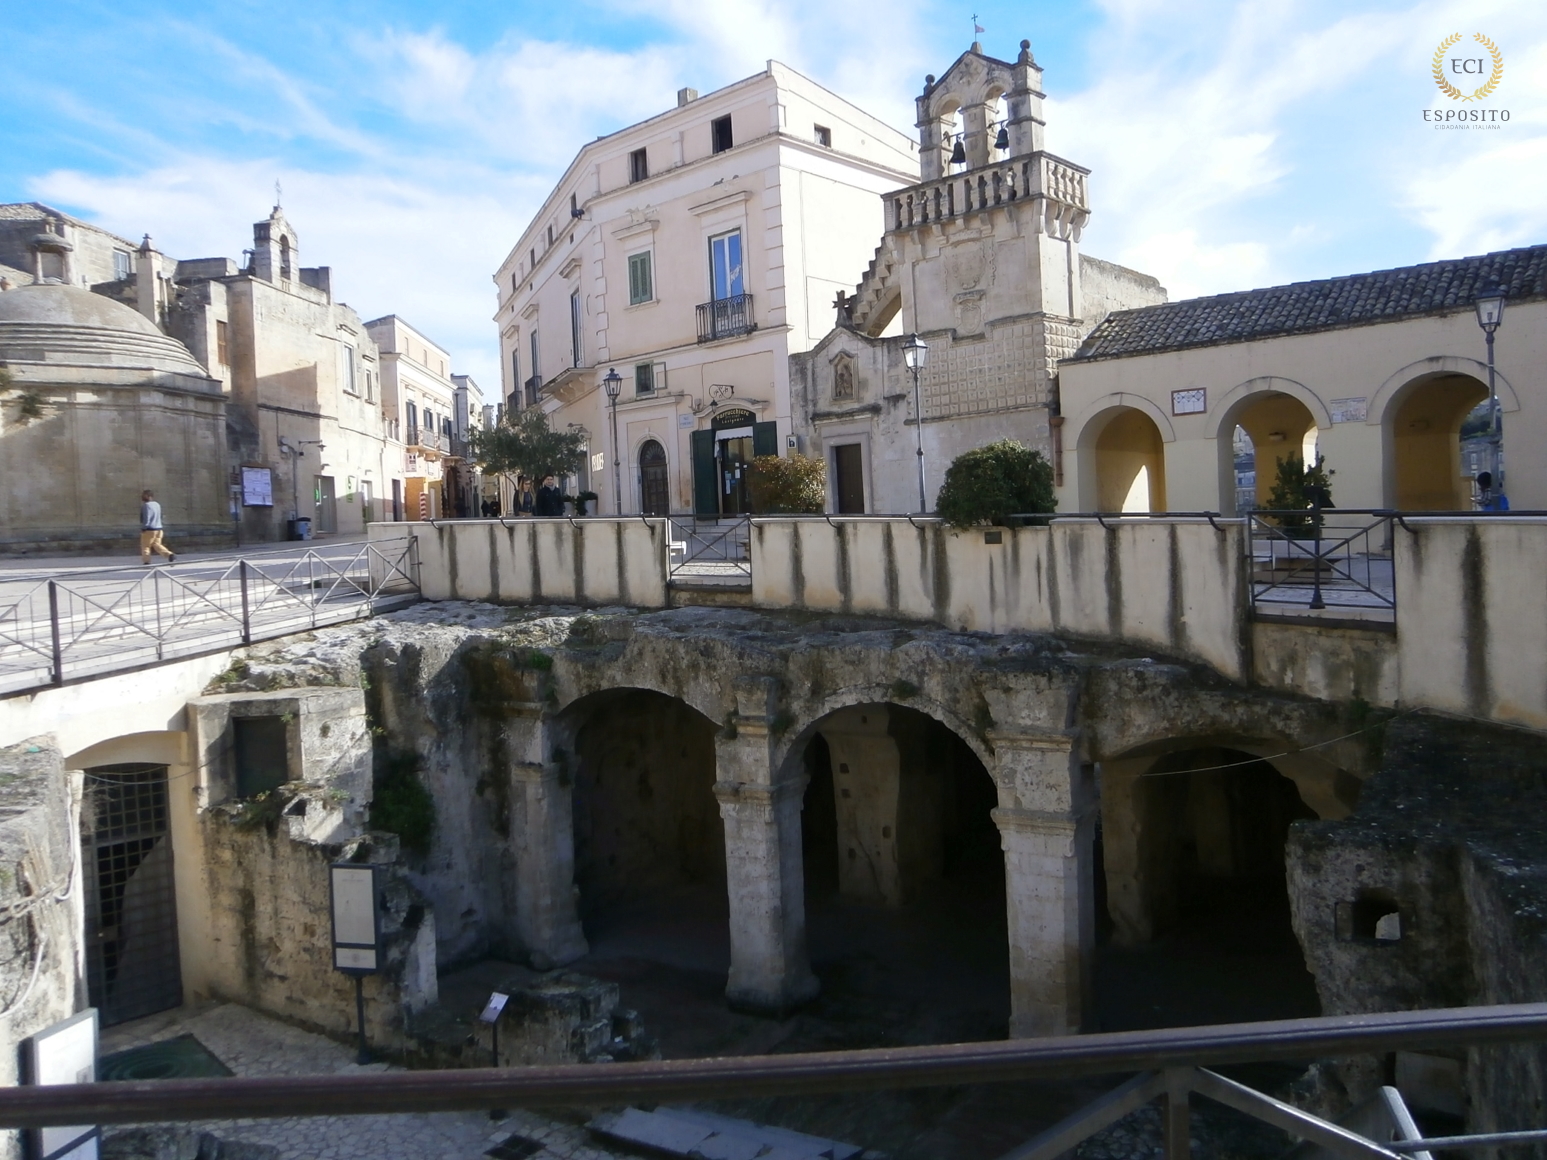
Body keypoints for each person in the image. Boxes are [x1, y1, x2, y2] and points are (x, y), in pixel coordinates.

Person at [139, 490, 175, 565]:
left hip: (149, 529)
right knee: (157, 544)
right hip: (159, 529)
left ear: (149, 496)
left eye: (144, 495)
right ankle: (169, 554)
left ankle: (146, 561)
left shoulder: (146, 505)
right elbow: (160, 516)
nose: (142, 497)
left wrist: (144, 528)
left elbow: (146, 518)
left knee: (146, 546)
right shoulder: (157, 504)